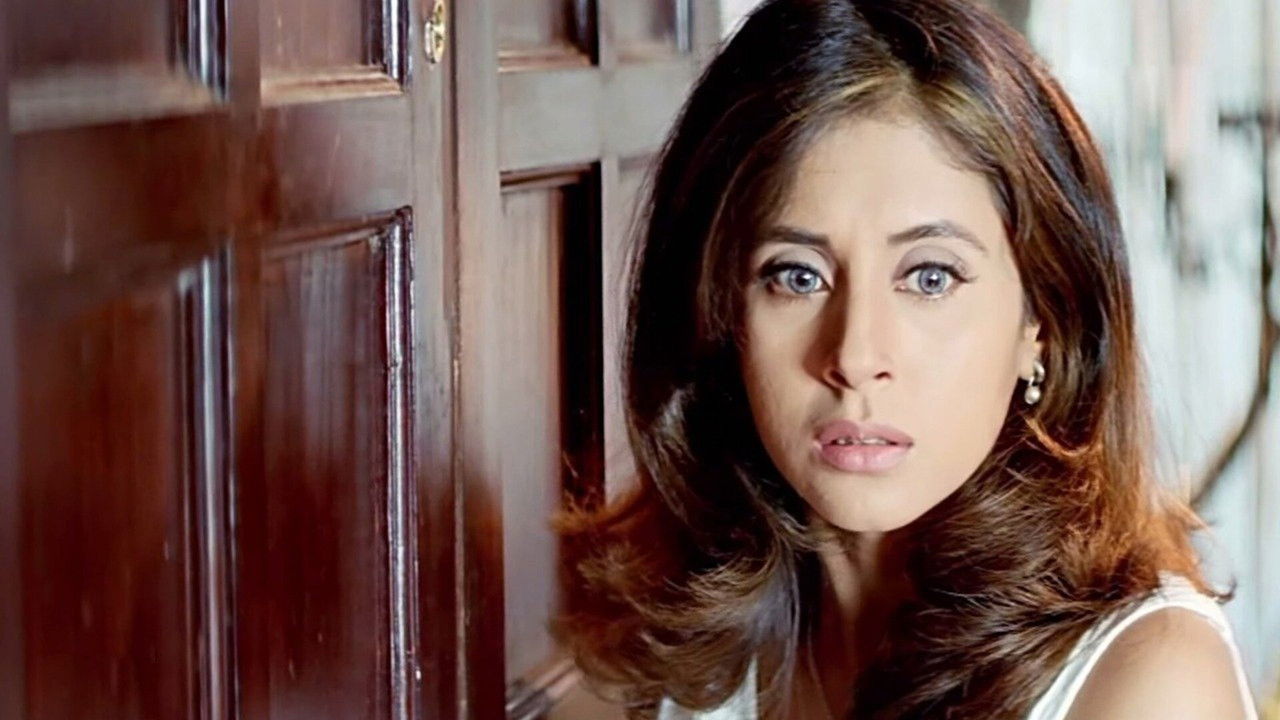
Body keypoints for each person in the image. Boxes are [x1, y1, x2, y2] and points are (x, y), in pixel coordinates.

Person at [549, 0, 1259, 717]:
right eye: (797, 276)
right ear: (717, 314)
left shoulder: (1149, 681)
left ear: (1042, 321)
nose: (856, 356)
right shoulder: (655, 658)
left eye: (931, 277)